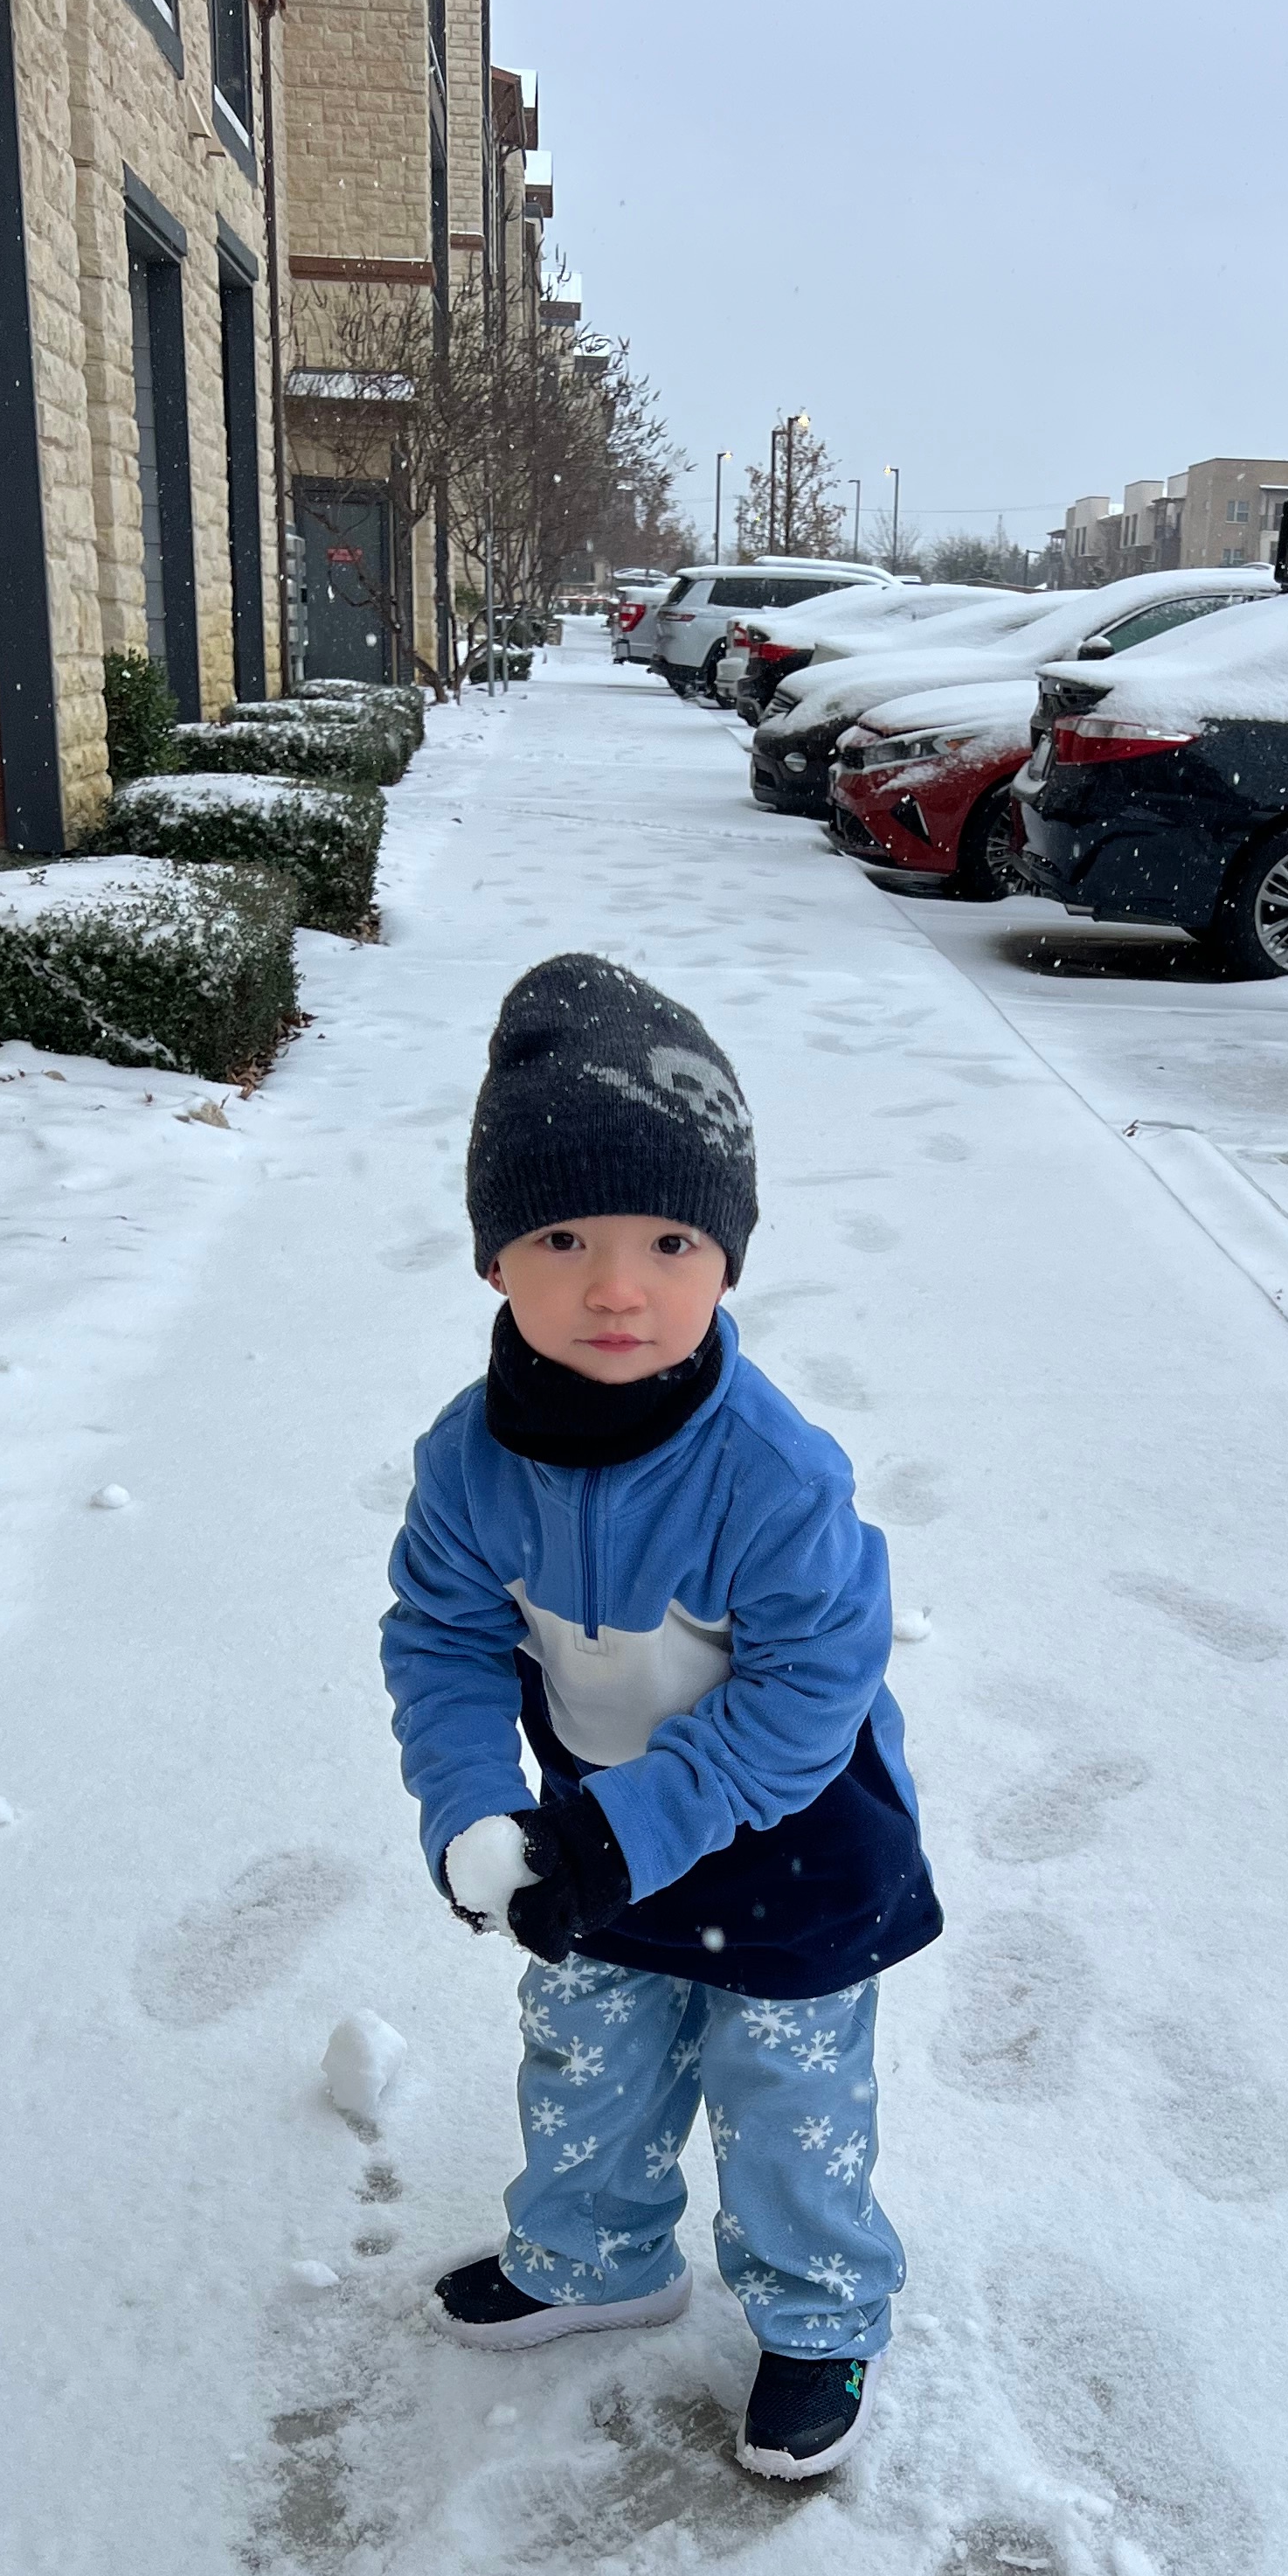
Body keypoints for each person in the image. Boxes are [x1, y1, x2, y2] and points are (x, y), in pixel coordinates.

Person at [380, 955, 942, 2481]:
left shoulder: (771, 1473)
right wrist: (470, 1811)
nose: (615, 1286)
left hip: (796, 1837)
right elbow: (438, 1635)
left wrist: (616, 1834)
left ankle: (819, 2317)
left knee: (790, 2095)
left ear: (727, 1262)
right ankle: (595, 2257)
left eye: (668, 1239)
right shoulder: (467, 1464)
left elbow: (805, 1696)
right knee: (585, 2055)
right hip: (588, 1840)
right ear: (495, 1258)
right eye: (562, 1235)